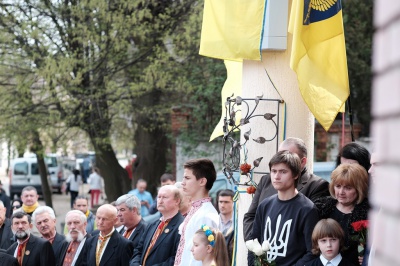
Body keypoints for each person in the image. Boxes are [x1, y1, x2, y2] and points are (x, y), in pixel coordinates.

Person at [243, 137, 329, 242]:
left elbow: (314, 230)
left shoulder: (318, 186)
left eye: (289, 155)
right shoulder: (266, 180)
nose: (282, 159)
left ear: (302, 162)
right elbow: (251, 216)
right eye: (280, 155)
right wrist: (256, 248)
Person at [252, 150, 319, 266]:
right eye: (273, 171)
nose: (277, 176)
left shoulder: (307, 209)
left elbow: (312, 252)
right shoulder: (264, 205)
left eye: (283, 172)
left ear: (296, 174)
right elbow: (253, 243)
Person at [315, 164, 369, 265]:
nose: (341, 192)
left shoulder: (368, 213)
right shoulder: (320, 208)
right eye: (338, 186)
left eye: (348, 188)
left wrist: (367, 254)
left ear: (359, 189)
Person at [174, 158, 219, 266]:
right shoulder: (196, 210)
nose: (183, 183)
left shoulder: (206, 215)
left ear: (202, 181)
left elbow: (201, 258)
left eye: (187, 178)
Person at [130, 185, 184, 266]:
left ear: (177, 201)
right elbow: (138, 250)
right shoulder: (152, 224)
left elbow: (177, 258)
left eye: (165, 197)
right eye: (159, 197)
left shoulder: (182, 225)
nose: (160, 201)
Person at [217, 189, 234, 265]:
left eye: (226, 202)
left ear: (233, 203)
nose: (222, 205)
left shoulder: (237, 223)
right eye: (220, 202)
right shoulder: (213, 221)